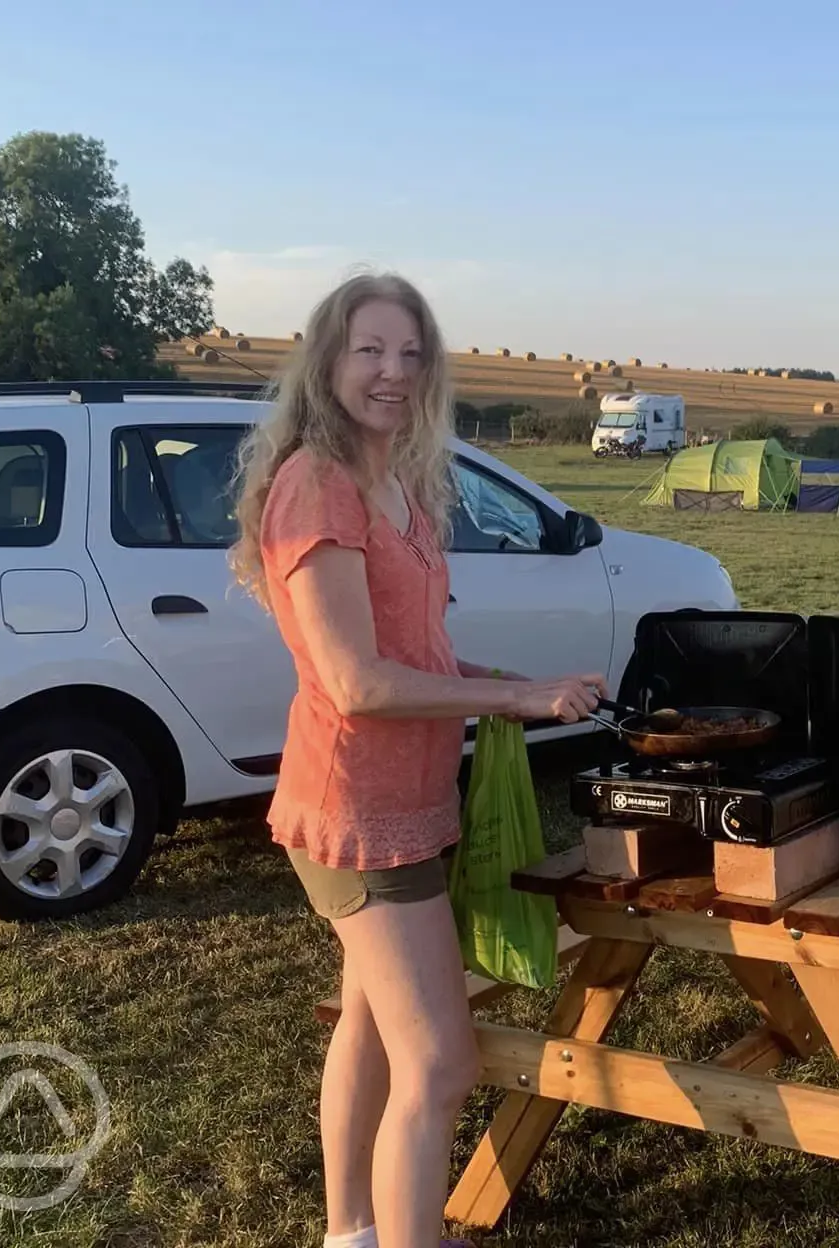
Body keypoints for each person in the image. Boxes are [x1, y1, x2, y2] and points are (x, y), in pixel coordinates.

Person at [229, 271, 606, 1248]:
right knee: (440, 1065)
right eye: (369, 350)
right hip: (356, 814)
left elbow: (414, 655)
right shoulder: (316, 484)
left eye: (411, 353)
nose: (392, 372)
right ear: (327, 361)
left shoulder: (396, 480)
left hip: (403, 801)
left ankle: (350, 1229)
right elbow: (355, 682)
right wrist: (513, 698)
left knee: (367, 1020)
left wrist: (500, 679)